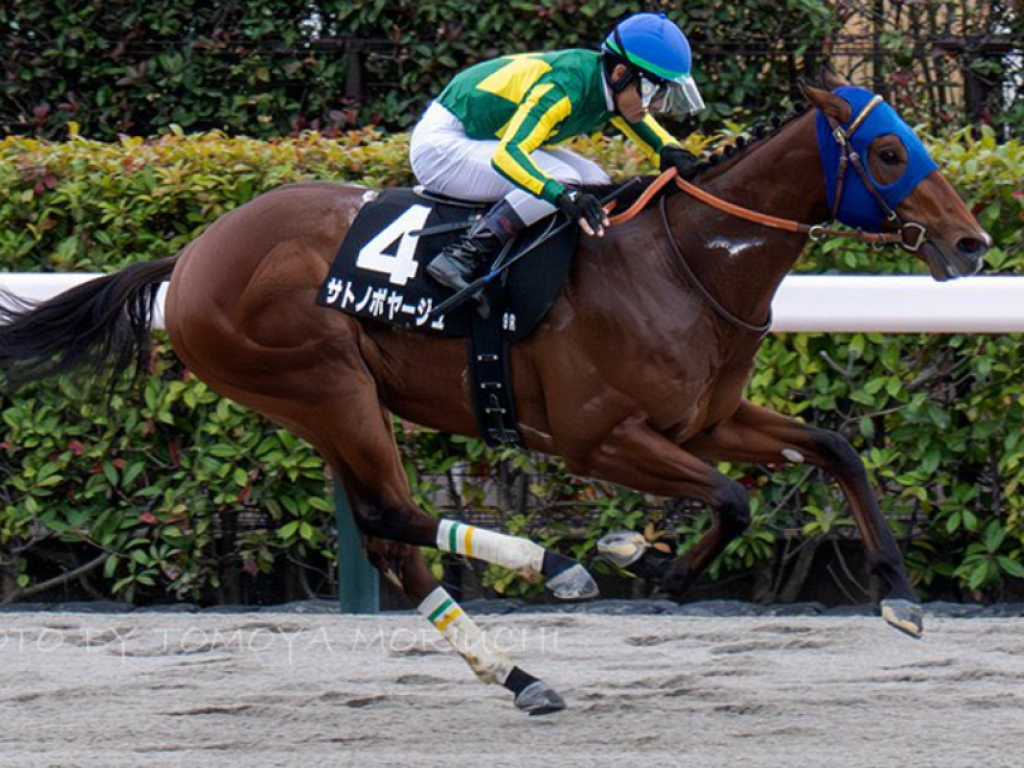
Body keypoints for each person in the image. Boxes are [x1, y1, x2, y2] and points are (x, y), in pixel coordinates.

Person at [408, 12, 706, 294]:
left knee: (595, 180)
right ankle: (462, 255)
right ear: (620, 73)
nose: (656, 106)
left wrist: (670, 151)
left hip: (480, 139)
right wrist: (563, 196)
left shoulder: (607, 83)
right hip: (441, 147)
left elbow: (641, 124)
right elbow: (508, 156)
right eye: (654, 92)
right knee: (564, 179)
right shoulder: (564, 87)